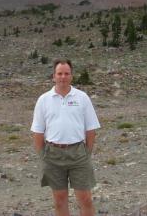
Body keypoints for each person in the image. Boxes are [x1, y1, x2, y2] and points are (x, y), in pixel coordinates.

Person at [31, 58, 101, 216]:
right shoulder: (43, 100)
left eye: (66, 73)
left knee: (85, 198)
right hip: (53, 154)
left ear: (71, 76)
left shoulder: (82, 98)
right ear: (53, 76)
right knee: (59, 199)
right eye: (59, 73)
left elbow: (90, 129)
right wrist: (43, 156)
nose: (63, 77)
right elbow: (37, 131)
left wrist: (86, 153)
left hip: (78, 154)